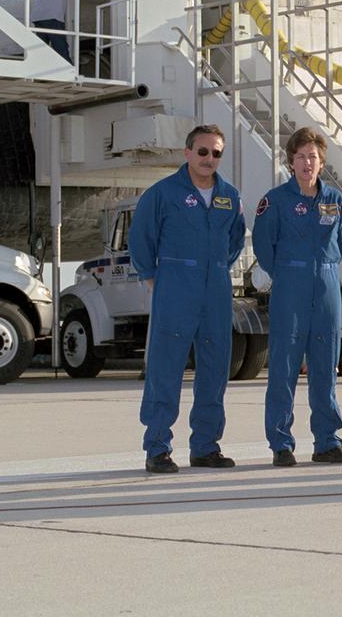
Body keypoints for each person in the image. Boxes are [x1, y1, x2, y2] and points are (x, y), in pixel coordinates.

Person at [129, 124, 245, 474]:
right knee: (166, 369)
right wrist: (157, 280)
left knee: (214, 368)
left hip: (216, 290)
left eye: (217, 153)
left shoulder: (230, 196)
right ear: (188, 153)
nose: (210, 158)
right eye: (203, 151)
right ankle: (158, 448)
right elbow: (141, 240)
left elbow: (236, 241)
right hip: (175, 288)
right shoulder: (162, 194)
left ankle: (206, 447)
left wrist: (214, 271)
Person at [253, 127, 342, 467]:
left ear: (321, 162)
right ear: (291, 162)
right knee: (283, 367)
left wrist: (320, 269)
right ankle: (281, 443)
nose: (307, 163)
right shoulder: (276, 201)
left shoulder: (336, 201)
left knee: (326, 367)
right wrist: (289, 272)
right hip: (290, 285)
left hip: (326, 285)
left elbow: (341, 244)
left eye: (313, 157)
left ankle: (328, 441)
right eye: (300, 157)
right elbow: (264, 247)